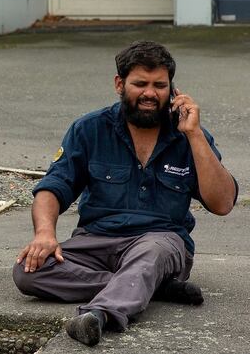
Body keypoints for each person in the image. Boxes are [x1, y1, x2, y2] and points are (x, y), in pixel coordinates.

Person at [12, 41, 238, 346]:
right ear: (120, 84)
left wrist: (195, 135)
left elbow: (223, 203)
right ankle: (151, 287)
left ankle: (100, 314)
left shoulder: (190, 134)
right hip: (95, 242)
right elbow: (53, 188)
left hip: (161, 242)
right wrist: (44, 234)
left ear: (173, 90)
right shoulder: (89, 129)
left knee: (151, 253)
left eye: (159, 85)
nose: (149, 93)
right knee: (27, 271)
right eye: (140, 84)